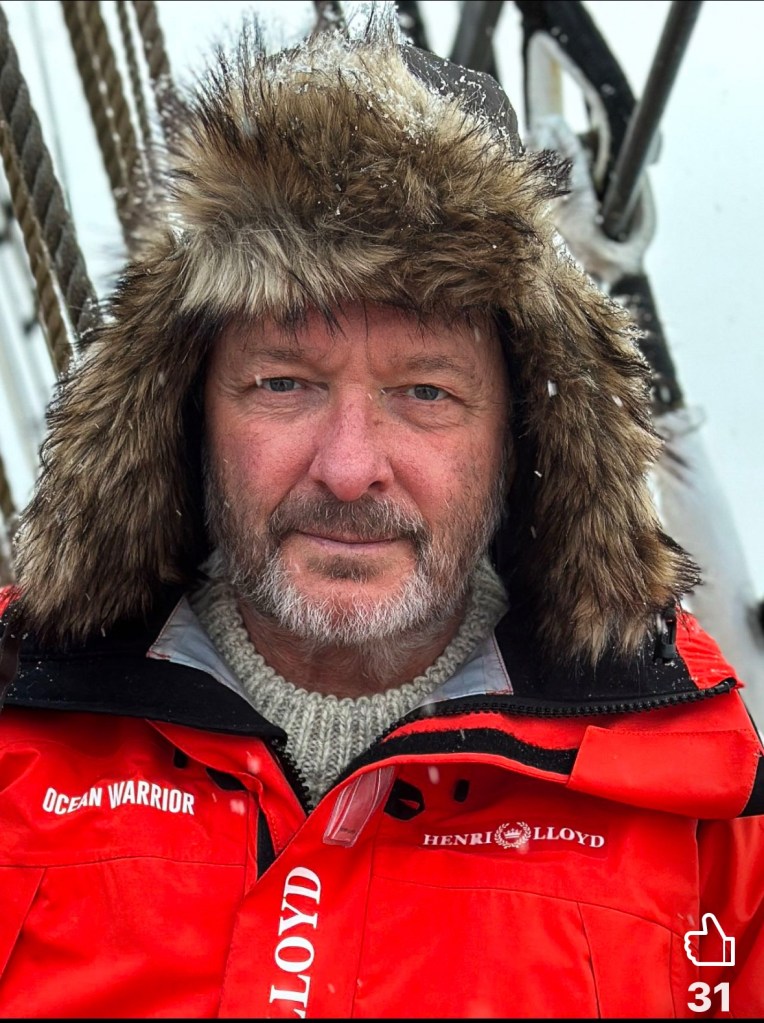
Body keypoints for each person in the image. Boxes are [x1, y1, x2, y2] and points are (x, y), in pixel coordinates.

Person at [0, 5, 762, 1018]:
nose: (351, 468)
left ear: (520, 439)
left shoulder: (707, 811)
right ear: (186, 412)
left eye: (425, 392)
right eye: (283, 383)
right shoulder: (17, 730)